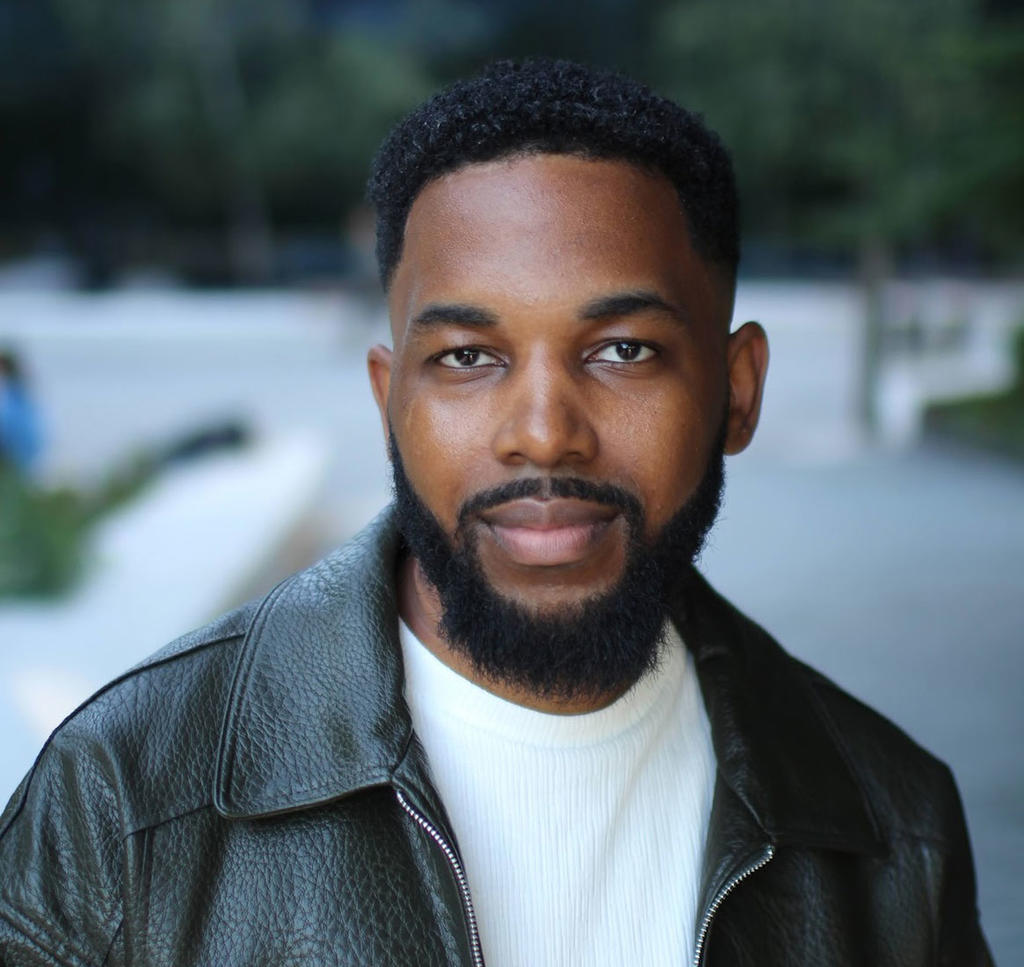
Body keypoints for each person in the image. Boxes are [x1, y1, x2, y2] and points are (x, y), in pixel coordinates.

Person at [0, 59, 992, 966]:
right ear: (391, 400)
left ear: (736, 391)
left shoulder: (891, 825)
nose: (543, 434)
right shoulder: (122, 797)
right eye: (468, 358)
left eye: (623, 350)